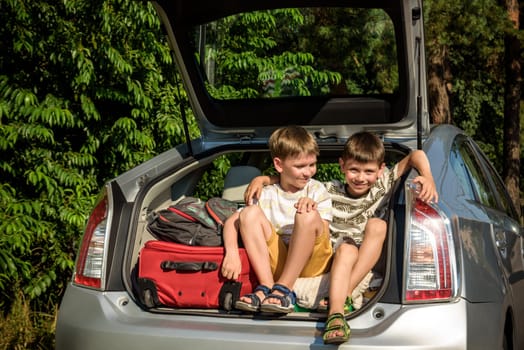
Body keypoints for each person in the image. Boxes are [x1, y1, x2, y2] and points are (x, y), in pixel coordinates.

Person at [243, 131, 438, 344]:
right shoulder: (328, 190)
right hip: (338, 252)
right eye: (354, 170)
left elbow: (416, 155)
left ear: (381, 170)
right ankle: (337, 307)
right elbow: (294, 181)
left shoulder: (382, 186)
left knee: (377, 225)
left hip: (367, 255)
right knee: (345, 248)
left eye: (369, 171)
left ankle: (344, 293)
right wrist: (263, 179)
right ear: (342, 166)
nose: (361, 177)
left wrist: (428, 177)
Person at [220, 125, 333, 314]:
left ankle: (284, 288)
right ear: (279, 165)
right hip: (279, 262)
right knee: (249, 213)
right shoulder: (266, 194)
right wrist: (230, 253)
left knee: (308, 214)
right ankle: (266, 287)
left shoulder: (317, 190)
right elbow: (233, 221)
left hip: (313, 262)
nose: (308, 172)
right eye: (300, 166)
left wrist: (312, 210)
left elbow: (325, 234)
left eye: (312, 164)